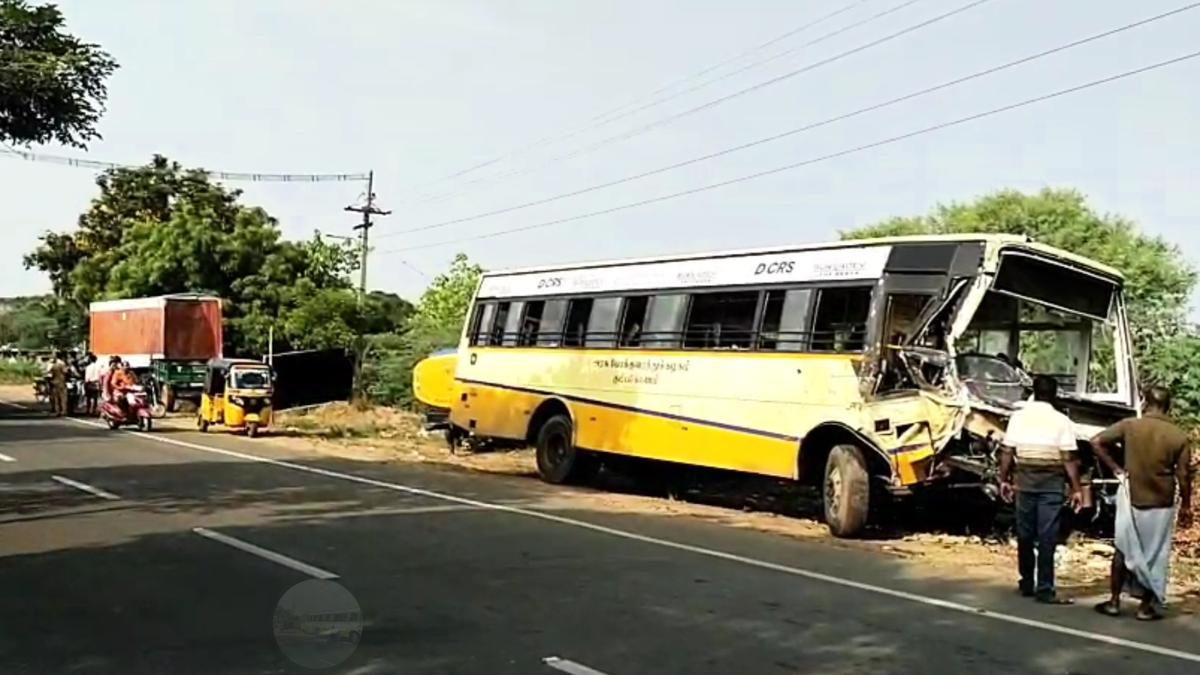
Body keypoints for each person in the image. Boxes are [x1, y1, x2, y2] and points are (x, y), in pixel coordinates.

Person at [1091, 386, 1194, 621]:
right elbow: (1183, 475)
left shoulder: (1130, 426)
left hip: (1131, 494)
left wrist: (1116, 468)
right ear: (1169, 406)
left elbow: (1096, 442)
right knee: (1155, 553)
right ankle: (1145, 607)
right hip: (1162, 500)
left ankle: (1115, 601)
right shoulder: (1178, 436)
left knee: (1122, 547)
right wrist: (1186, 505)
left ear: (1145, 403)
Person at [998, 375, 1084, 604]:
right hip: (1051, 484)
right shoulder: (1061, 420)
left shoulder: (1018, 417)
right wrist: (1076, 489)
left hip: (1024, 481)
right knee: (1047, 535)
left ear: (1033, 391)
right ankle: (1045, 588)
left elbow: (1007, 451)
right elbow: (1068, 458)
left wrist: (1003, 479)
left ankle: (1027, 581)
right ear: (1054, 394)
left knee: (1025, 532)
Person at [48, 351, 69, 417]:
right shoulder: (62, 364)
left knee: (56, 398)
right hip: (61, 382)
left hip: (54, 382)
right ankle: (63, 410)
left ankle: (57, 411)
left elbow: (50, 374)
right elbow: (65, 372)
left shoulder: (53, 365)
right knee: (63, 397)